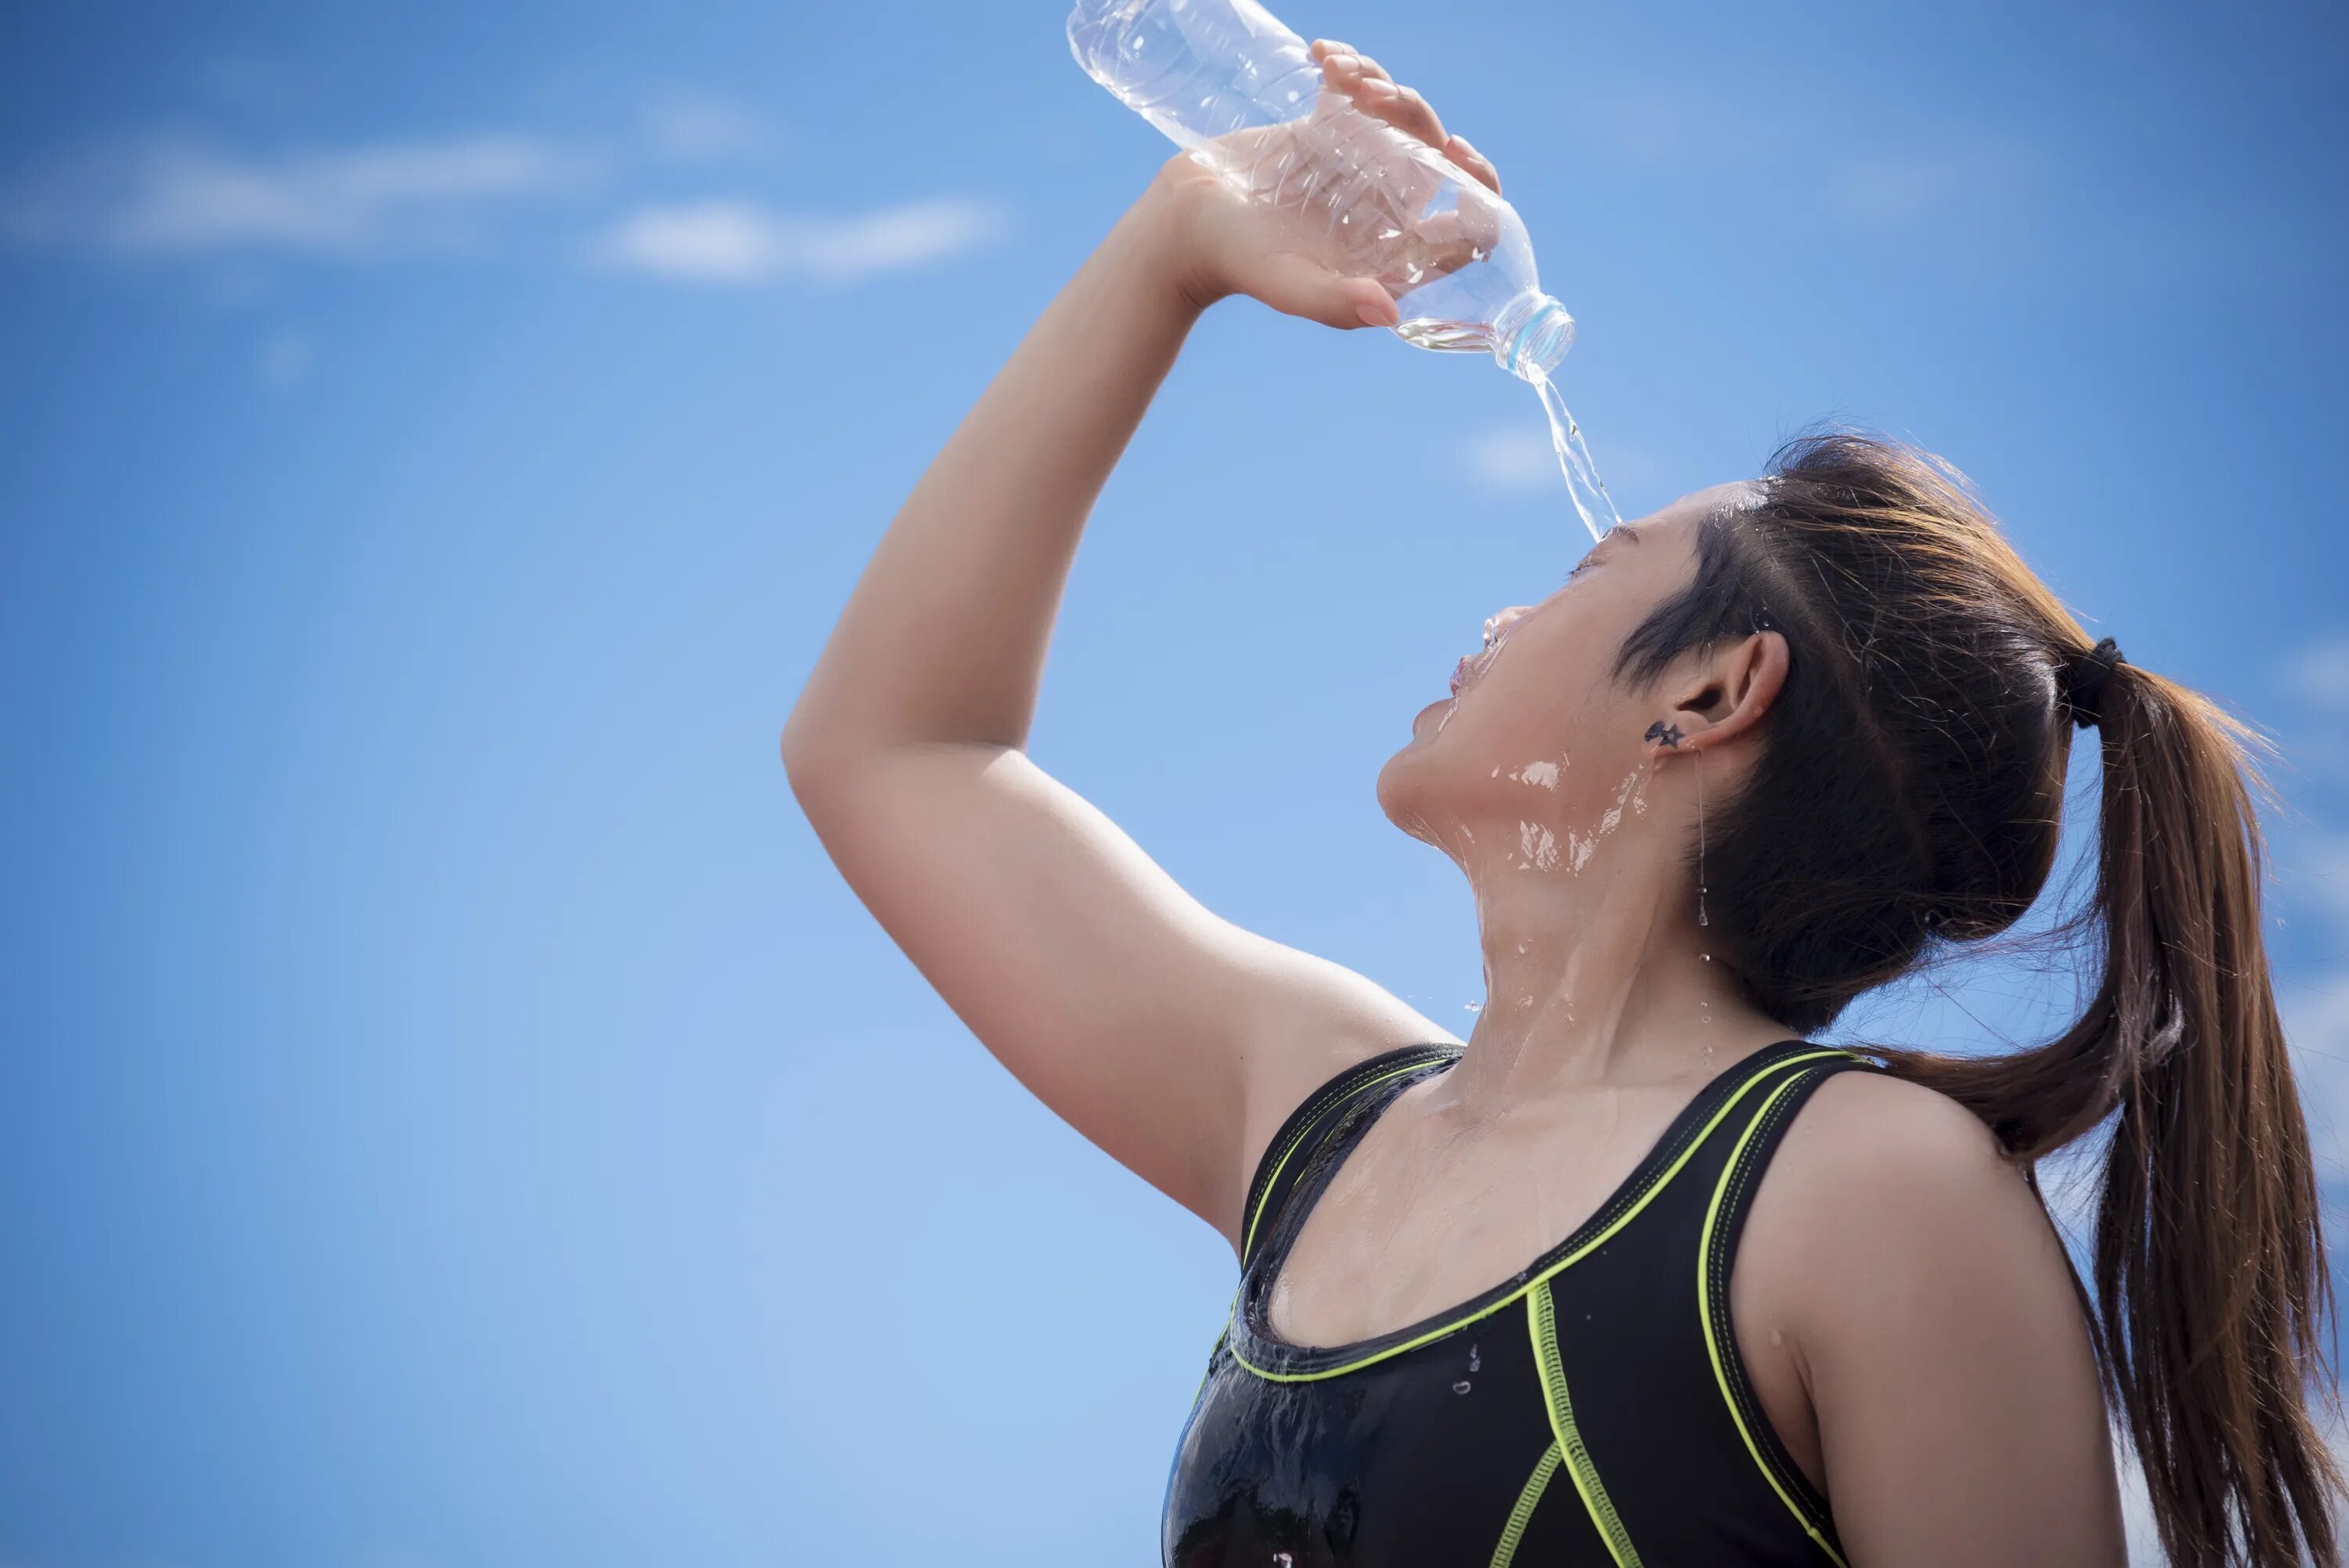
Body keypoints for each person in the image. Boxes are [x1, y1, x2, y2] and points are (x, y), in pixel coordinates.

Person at [780, 37, 2340, 1568]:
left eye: (1585, 573)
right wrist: (1175, 240)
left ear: (1712, 695)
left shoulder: (1869, 1194)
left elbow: (903, 754)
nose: (1498, 621)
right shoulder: (1320, 1119)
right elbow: (892, 750)